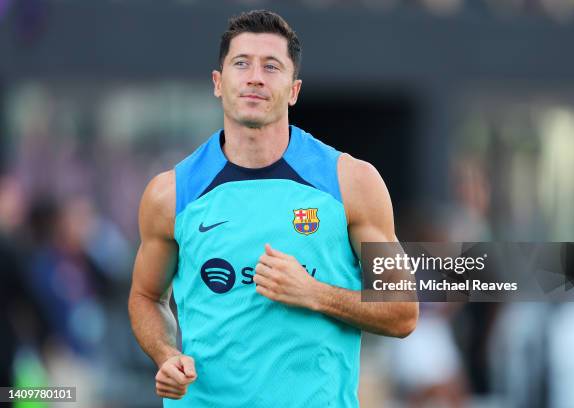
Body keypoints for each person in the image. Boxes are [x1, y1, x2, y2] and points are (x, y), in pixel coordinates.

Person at [128, 9, 418, 407]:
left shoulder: (352, 182)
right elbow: (146, 297)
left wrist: (314, 293)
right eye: (241, 63)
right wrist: (166, 355)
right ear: (218, 82)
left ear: (294, 90)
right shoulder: (170, 193)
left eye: (271, 66)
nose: (255, 77)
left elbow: (403, 310)